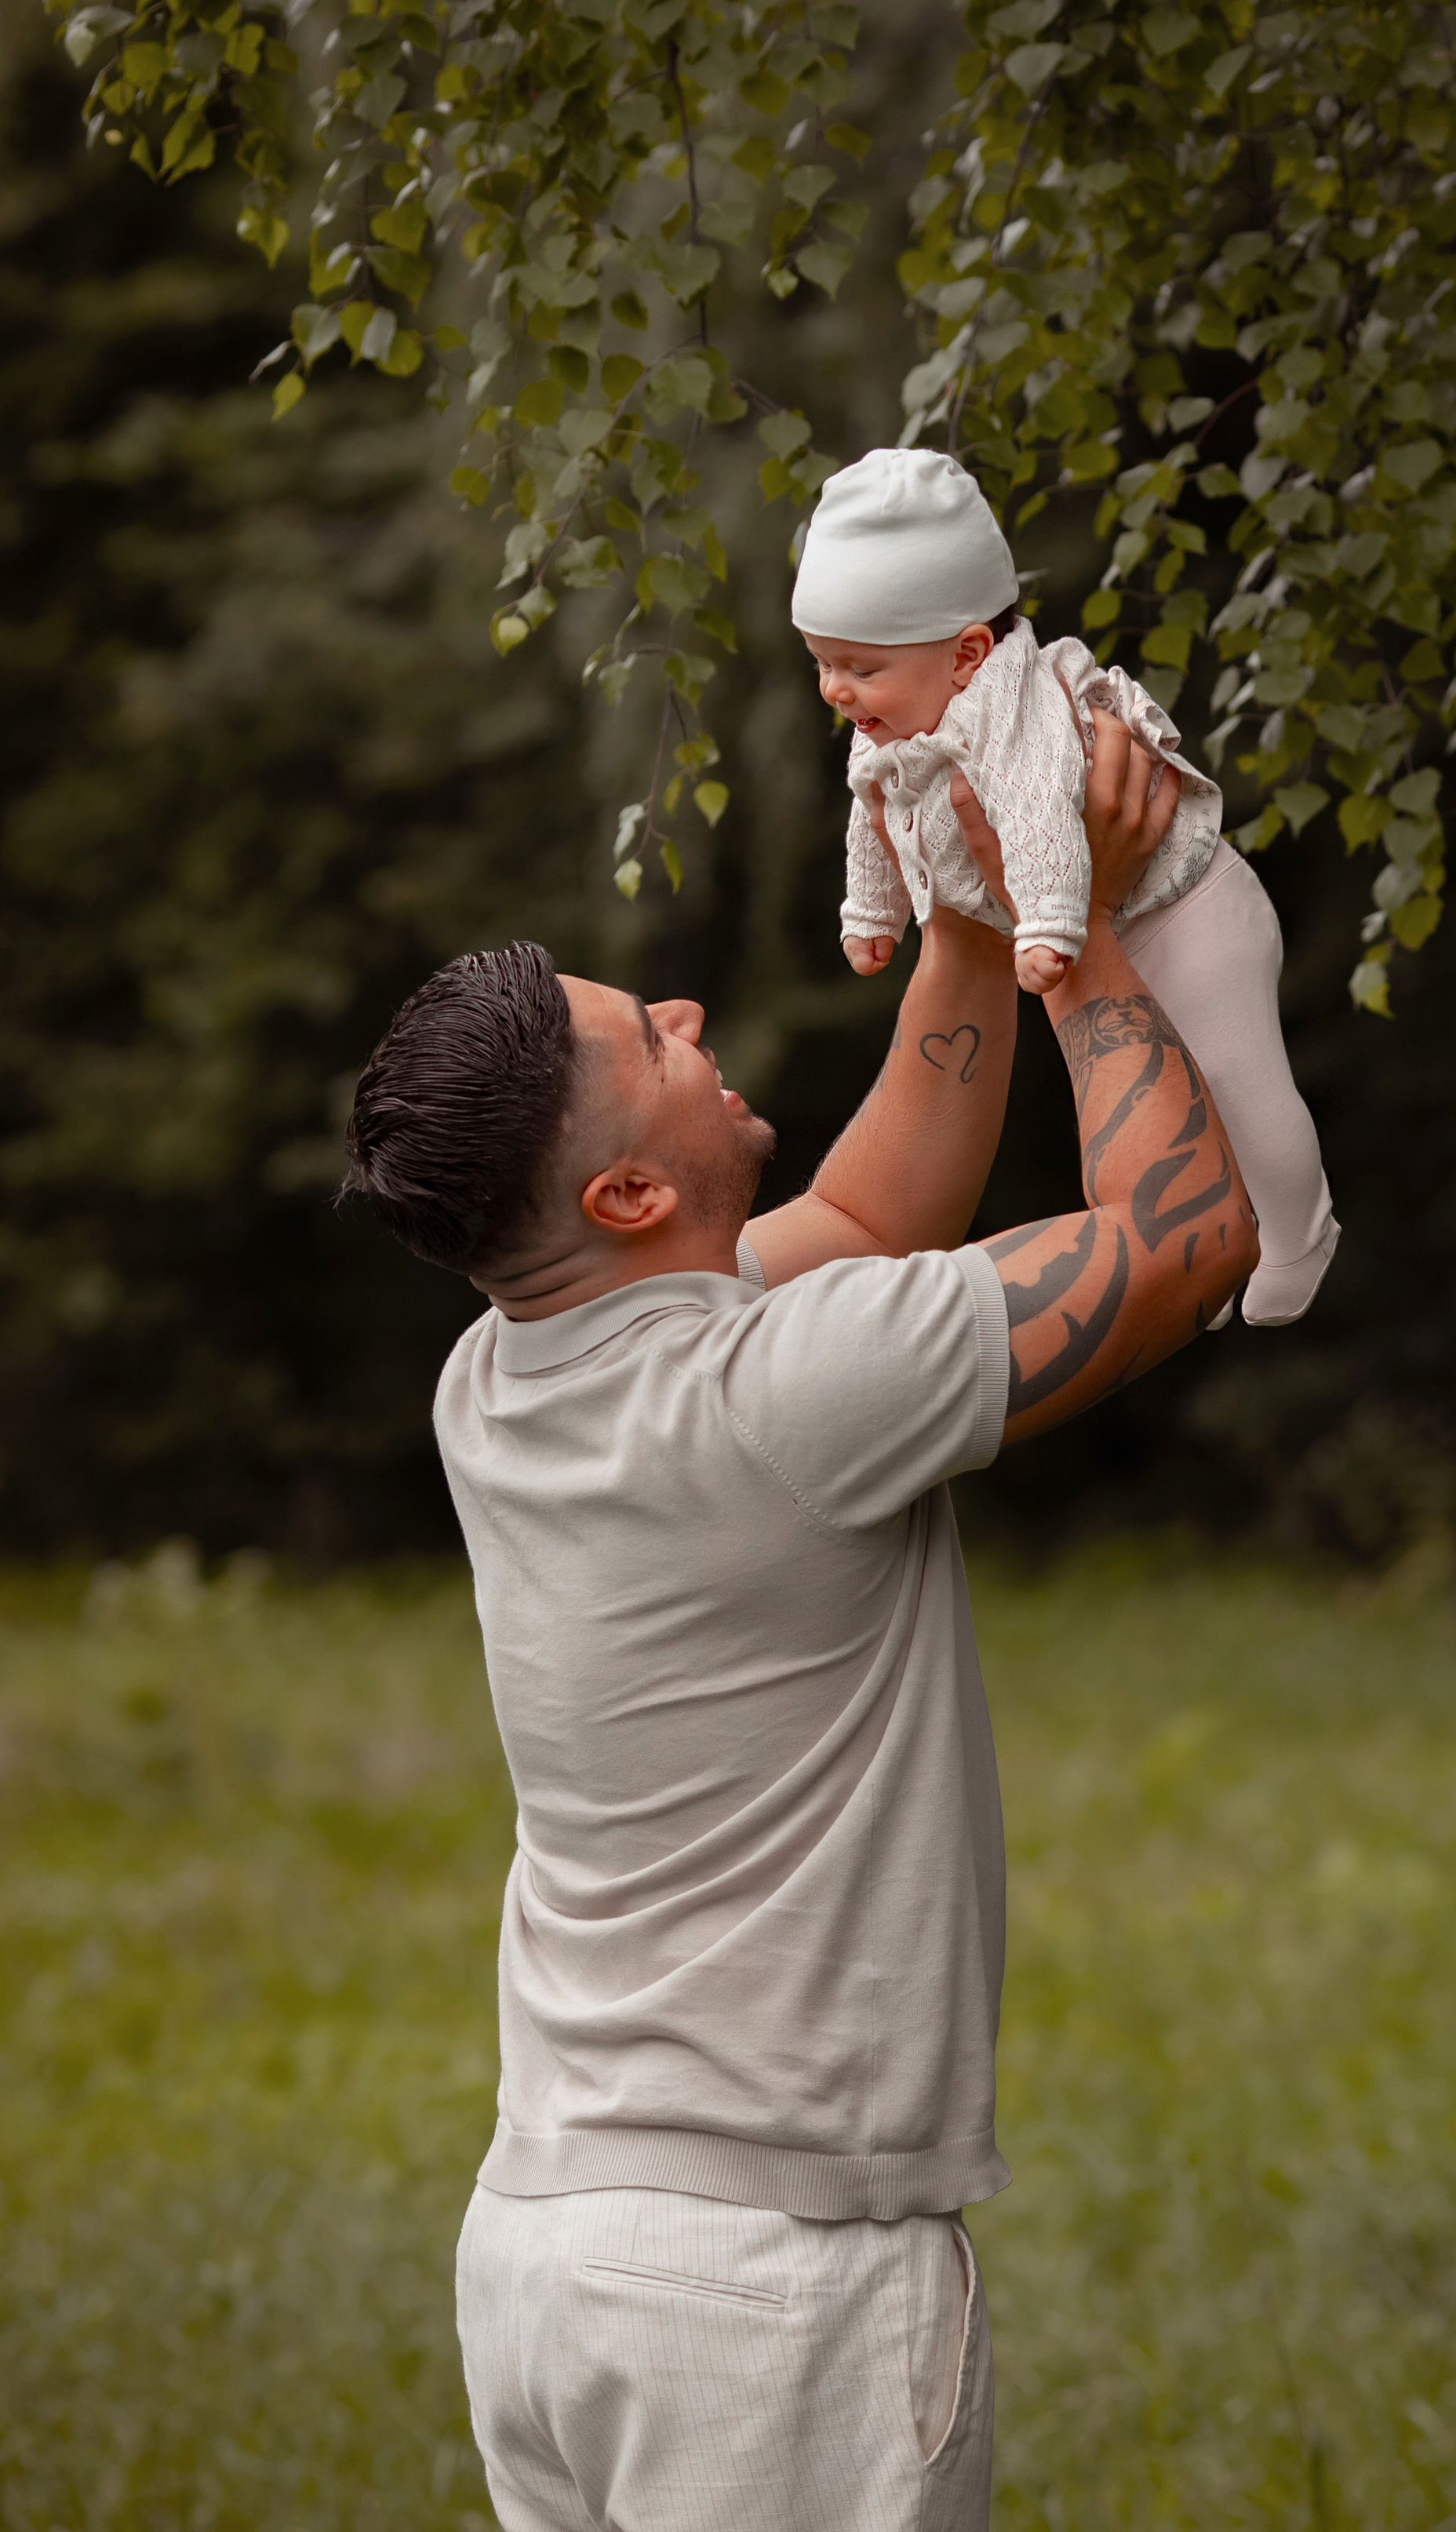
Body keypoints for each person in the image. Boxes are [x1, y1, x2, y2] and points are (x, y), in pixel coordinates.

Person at [340, 720, 1260, 2532]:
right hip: (770, 2294)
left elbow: (865, 1211)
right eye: (646, 1040)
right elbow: (1184, 1241)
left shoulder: (500, 1377)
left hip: (548, 2253)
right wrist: (1076, 916)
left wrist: (966, 913)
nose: (684, 1015)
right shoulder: (784, 1393)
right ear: (622, 1195)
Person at [792, 444, 1338, 1328]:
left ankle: (1299, 1231)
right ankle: (1210, 1250)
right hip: (1109, 928)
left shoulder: (1026, 713)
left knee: (1238, 1084)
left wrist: (1048, 921)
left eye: (858, 667)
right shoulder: (897, 721)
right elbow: (874, 811)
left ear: (967, 654)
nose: (834, 690)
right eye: (821, 662)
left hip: (1189, 912)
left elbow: (1043, 809)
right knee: (1173, 1102)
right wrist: (873, 909)